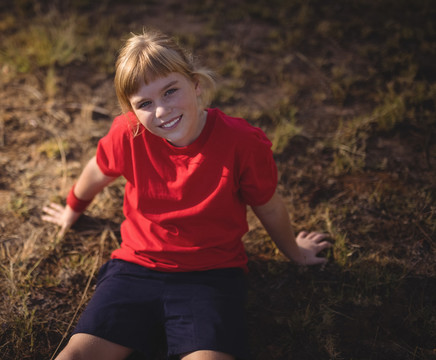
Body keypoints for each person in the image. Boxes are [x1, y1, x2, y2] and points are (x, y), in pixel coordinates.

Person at [42, 30, 332, 360]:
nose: (162, 111)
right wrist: (73, 208)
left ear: (195, 84)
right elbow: (98, 169)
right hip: (136, 267)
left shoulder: (241, 143)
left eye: (170, 91)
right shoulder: (128, 134)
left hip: (210, 276)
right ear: (131, 111)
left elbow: (269, 206)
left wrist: (294, 250)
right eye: (145, 104)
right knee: (75, 355)